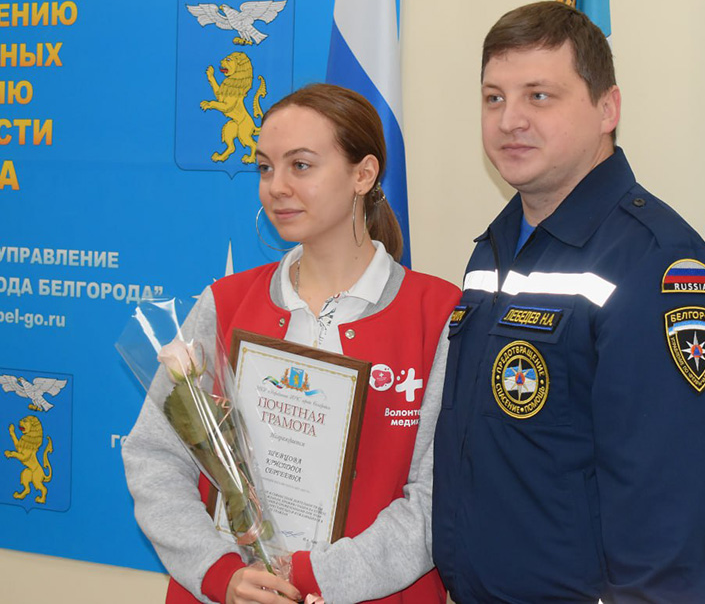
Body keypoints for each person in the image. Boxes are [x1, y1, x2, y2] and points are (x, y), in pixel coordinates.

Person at [432, 1, 705, 603]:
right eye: (494, 98)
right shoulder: (496, 246)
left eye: (539, 96)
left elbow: (668, 512)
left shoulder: (656, 265)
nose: (509, 120)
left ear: (607, 109)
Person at [123, 84, 460, 604]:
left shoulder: (436, 314)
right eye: (265, 167)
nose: (276, 187)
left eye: (300, 166)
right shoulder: (226, 303)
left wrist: (312, 577)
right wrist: (220, 572)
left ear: (363, 175)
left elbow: (439, 498)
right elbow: (155, 455)